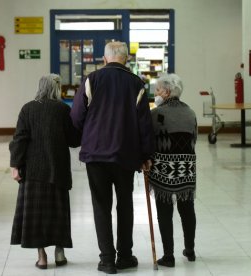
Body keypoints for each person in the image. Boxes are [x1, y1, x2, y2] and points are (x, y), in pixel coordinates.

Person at [70, 41, 154, 274]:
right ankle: (125, 256)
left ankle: (107, 259)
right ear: (126, 59)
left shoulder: (91, 80)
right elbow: (144, 124)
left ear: (105, 59)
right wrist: (146, 155)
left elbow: (77, 116)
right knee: (125, 204)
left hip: (96, 153)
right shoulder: (136, 83)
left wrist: (79, 139)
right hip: (126, 154)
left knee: (101, 204)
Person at [9, 74, 80, 270]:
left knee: (36, 215)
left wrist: (15, 166)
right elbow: (74, 140)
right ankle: (60, 252)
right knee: (58, 213)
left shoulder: (28, 109)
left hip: (33, 171)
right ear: (56, 88)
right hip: (58, 170)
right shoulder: (63, 110)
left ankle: (41, 257)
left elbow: (19, 139)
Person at [148, 74, 197, 267]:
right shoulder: (190, 112)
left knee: (164, 211)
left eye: (158, 90)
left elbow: (149, 140)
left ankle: (168, 255)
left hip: (164, 168)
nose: (156, 93)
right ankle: (190, 249)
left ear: (166, 92)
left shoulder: (157, 114)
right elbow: (195, 139)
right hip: (187, 166)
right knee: (187, 208)